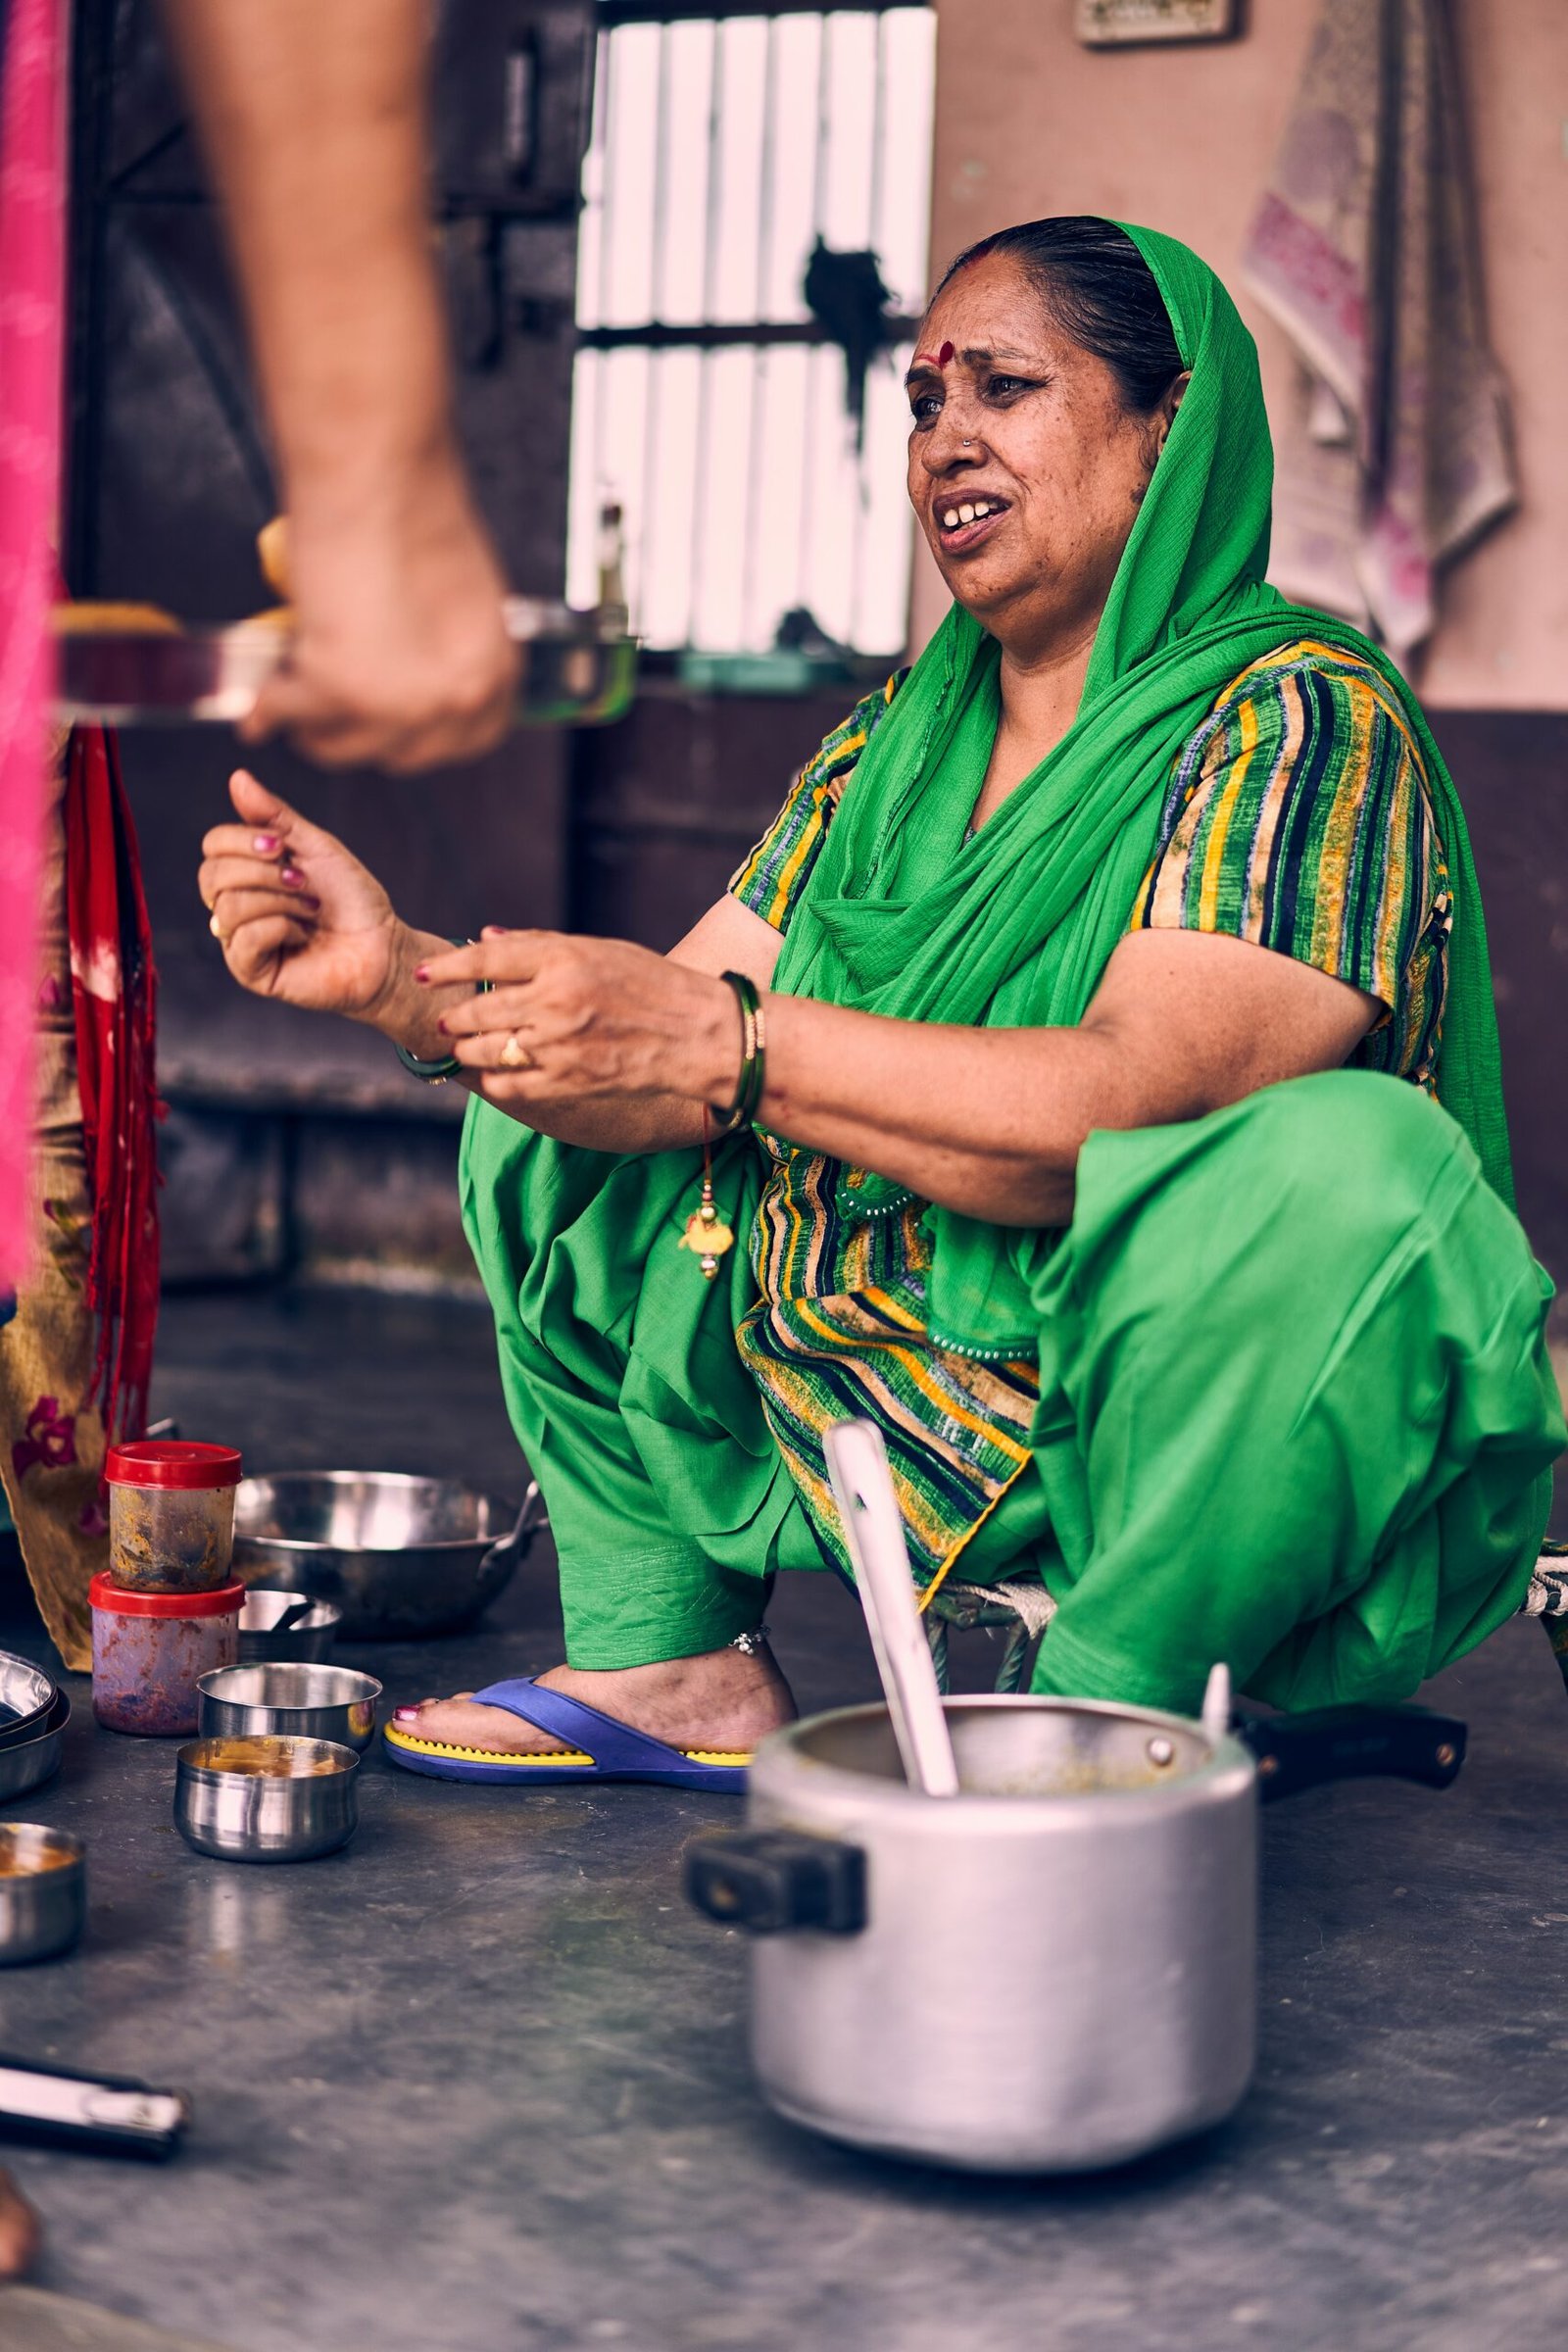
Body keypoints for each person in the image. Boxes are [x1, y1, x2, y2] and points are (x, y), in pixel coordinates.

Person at [200, 220, 1564, 1786]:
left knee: (1350, 1177)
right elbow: (662, 1023)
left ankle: (1099, 1707)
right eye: (924, 399)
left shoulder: (1300, 719)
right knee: (547, 1113)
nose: (946, 441)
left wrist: (724, 1042)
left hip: (1156, 1412)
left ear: (1167, 430)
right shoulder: (890, 748)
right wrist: (410, 990)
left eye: (1007, 385)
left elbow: (1118, 1110)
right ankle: (674, 1662)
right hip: (877, 1345)